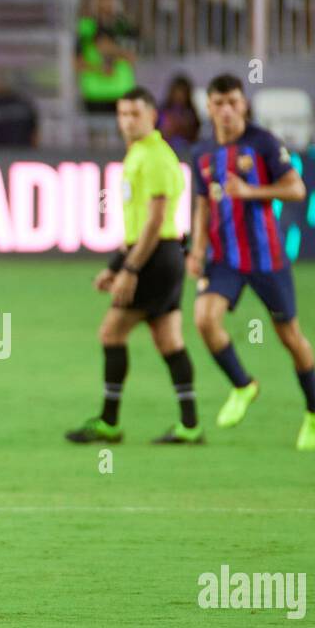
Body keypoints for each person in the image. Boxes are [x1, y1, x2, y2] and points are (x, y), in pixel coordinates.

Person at [187, 73, 315, 451]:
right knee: (204, 318)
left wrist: (252, 191)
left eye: (233, 102)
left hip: (267, 259)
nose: (227, 110)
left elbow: (297, 189)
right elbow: (202, 205)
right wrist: (197, 250)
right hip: (224, 259)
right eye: (219, 103)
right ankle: (242, 384)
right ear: (209, 107)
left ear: (244, 104)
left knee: (290, 338)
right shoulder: (202, 154)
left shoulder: (263, 143)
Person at [65, 86, 201, 445]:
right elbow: (139, 225)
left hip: (156, 257)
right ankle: (190, 425)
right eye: (122, 114)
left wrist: (130, 269)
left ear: (152, 116)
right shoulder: (141, 153)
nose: (126, 121)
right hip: (164, 255)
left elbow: (155, 223)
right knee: (169, 340)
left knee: (111, 333)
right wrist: (115, 264)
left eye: (134, 114)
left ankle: (109, 422)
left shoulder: (154, 156)